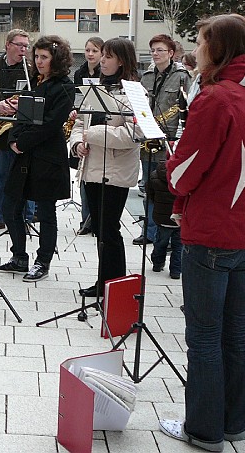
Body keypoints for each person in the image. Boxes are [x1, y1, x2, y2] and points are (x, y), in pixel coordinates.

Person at [159, 14, 245, 452]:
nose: (196, 49)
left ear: (218, 47)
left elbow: (184, 174)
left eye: (201, 41)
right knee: (235, 330)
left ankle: (204, 430)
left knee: (205, 335)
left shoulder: (216, 97)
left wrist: (171, 163)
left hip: (213, 230)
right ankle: (232, 423)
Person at [0, 36, 75, 282]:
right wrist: (13, 140)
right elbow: (23, 117)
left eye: (44, 57)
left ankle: (43, 261)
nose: (39, 61)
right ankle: (19, 257)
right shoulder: (36, 83)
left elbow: (50, 125)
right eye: (36, 56)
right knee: (10, 207)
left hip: (48, 157)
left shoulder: (64, 87)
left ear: (56, 59)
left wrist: (22, 142)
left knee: (46, 212)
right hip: (25, 156)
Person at [72, 38, 141, 298]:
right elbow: (80, 123)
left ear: (121, 61)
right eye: (102, 55)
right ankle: (104, 282)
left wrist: (92, 134)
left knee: (109, 230)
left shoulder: (133, 92)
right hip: (92, 168)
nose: (102, 60)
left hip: (115, 171)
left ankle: (115, 285)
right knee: (100, 231)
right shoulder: (94, 88)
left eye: (108, 56)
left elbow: (133, 135)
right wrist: (77, 143)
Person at [135, 34, 191, 246]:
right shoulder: (147, 77)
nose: (155, 54)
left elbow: (187, 108)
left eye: (160, 50)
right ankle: (149, 232)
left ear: (171, 53)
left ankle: (164, 235)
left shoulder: (182, 76)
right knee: (148, 186)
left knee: (165, 190)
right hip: (148, 138)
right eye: (153, 50)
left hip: (170, 140)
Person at [0, 28, 35, 232]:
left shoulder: (32, 71)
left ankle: (26, 218)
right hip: (0, 132)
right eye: (19, 45)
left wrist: (23, 104)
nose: (23, 50)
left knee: (25, 175)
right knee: (0, 177)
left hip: (23, 132)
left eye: (26, 46)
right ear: (7, 45)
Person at [71, 37, 103, 235]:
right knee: (83, 174)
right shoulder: (79, 73)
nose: (90, 54)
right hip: (83, 120)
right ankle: (86, 220)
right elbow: (77, 98)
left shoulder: (105, 73)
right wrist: (74, 110)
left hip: (98, 123)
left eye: (94, 51)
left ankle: (95, 220)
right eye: (87, 50)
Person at [146, 160, 182, 279]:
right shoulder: (183, 175)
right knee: (178, 246)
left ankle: (157, 264)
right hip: (179, 218)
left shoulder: (154, 175)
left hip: (161, 218)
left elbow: (149, 194)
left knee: (160, 242)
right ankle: (176, 270)